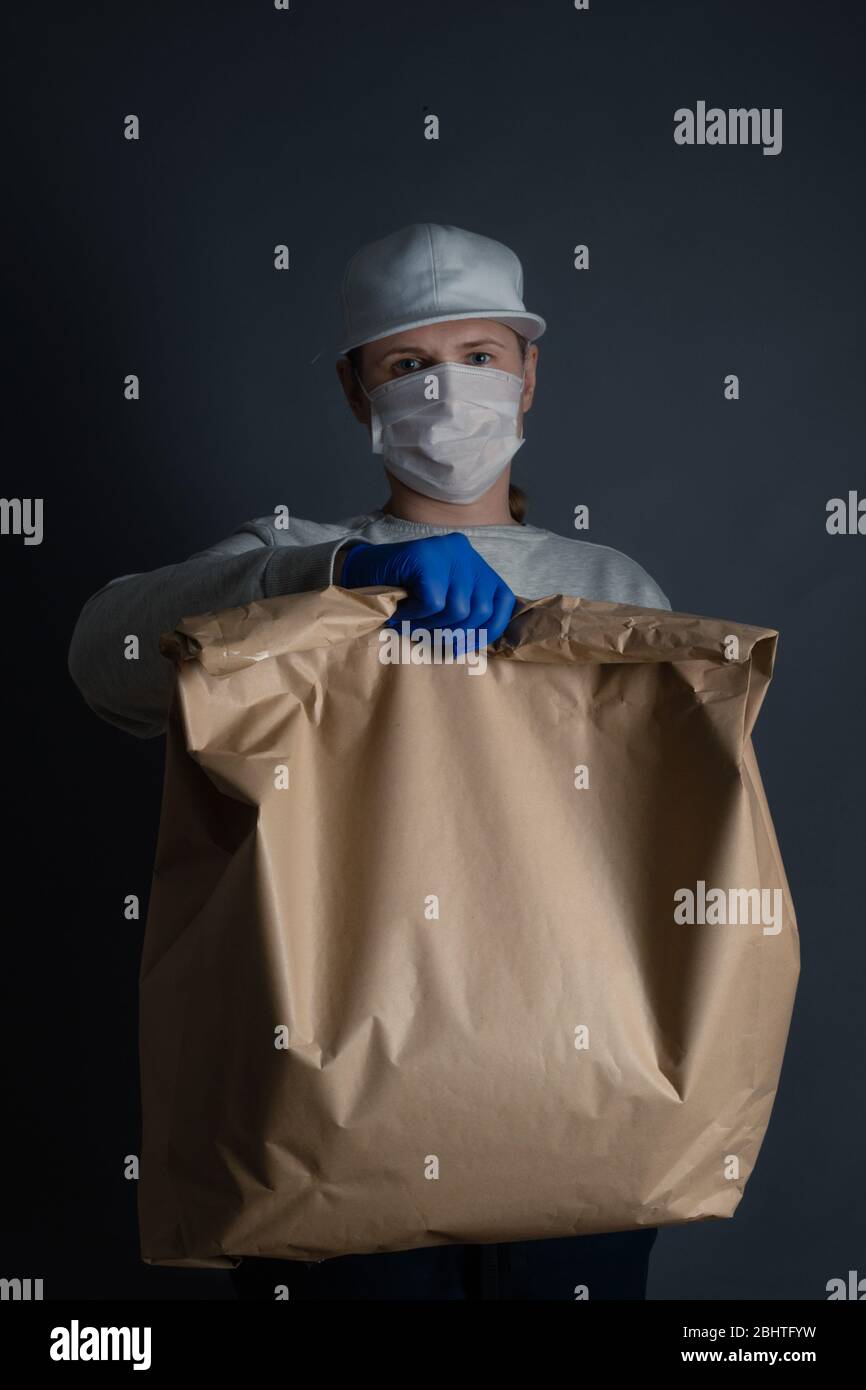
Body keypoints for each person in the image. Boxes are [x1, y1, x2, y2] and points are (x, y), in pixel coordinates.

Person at [68, 221, 668, 1299]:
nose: (448, 391)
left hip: (575, 1070)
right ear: (359, 392)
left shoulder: (612, 586)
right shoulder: (281, 560)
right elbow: (104, 656)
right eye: (408, 365)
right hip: (342, 1075)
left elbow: (664, 834)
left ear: (529, 375)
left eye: (479, 357)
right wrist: (341, 572)